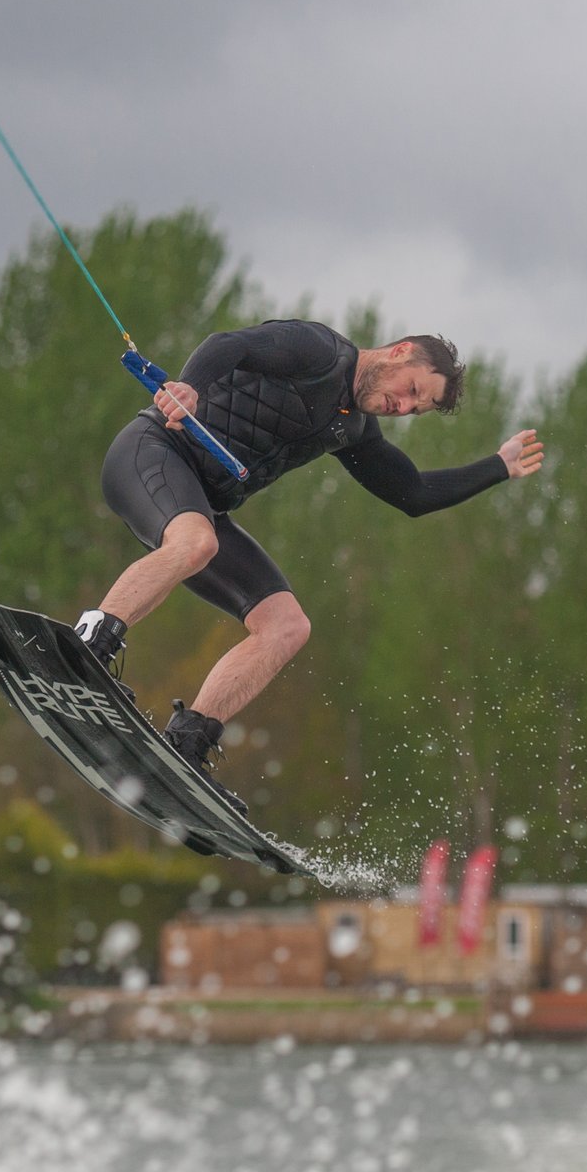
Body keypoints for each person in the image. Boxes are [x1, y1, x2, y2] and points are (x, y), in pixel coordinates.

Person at [74, 319, 544, 817]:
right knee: (196, 543)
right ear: (400, 352)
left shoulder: (356, 430)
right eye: (410, 391)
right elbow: (229, 345)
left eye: (415, 409)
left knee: (287, 626)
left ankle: (186, 746)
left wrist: (498, 466)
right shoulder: (319, 351)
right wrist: (189, 386)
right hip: (152, 454)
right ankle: (89, 643)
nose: (403, 406)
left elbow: (414, 494)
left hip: (204, 510)